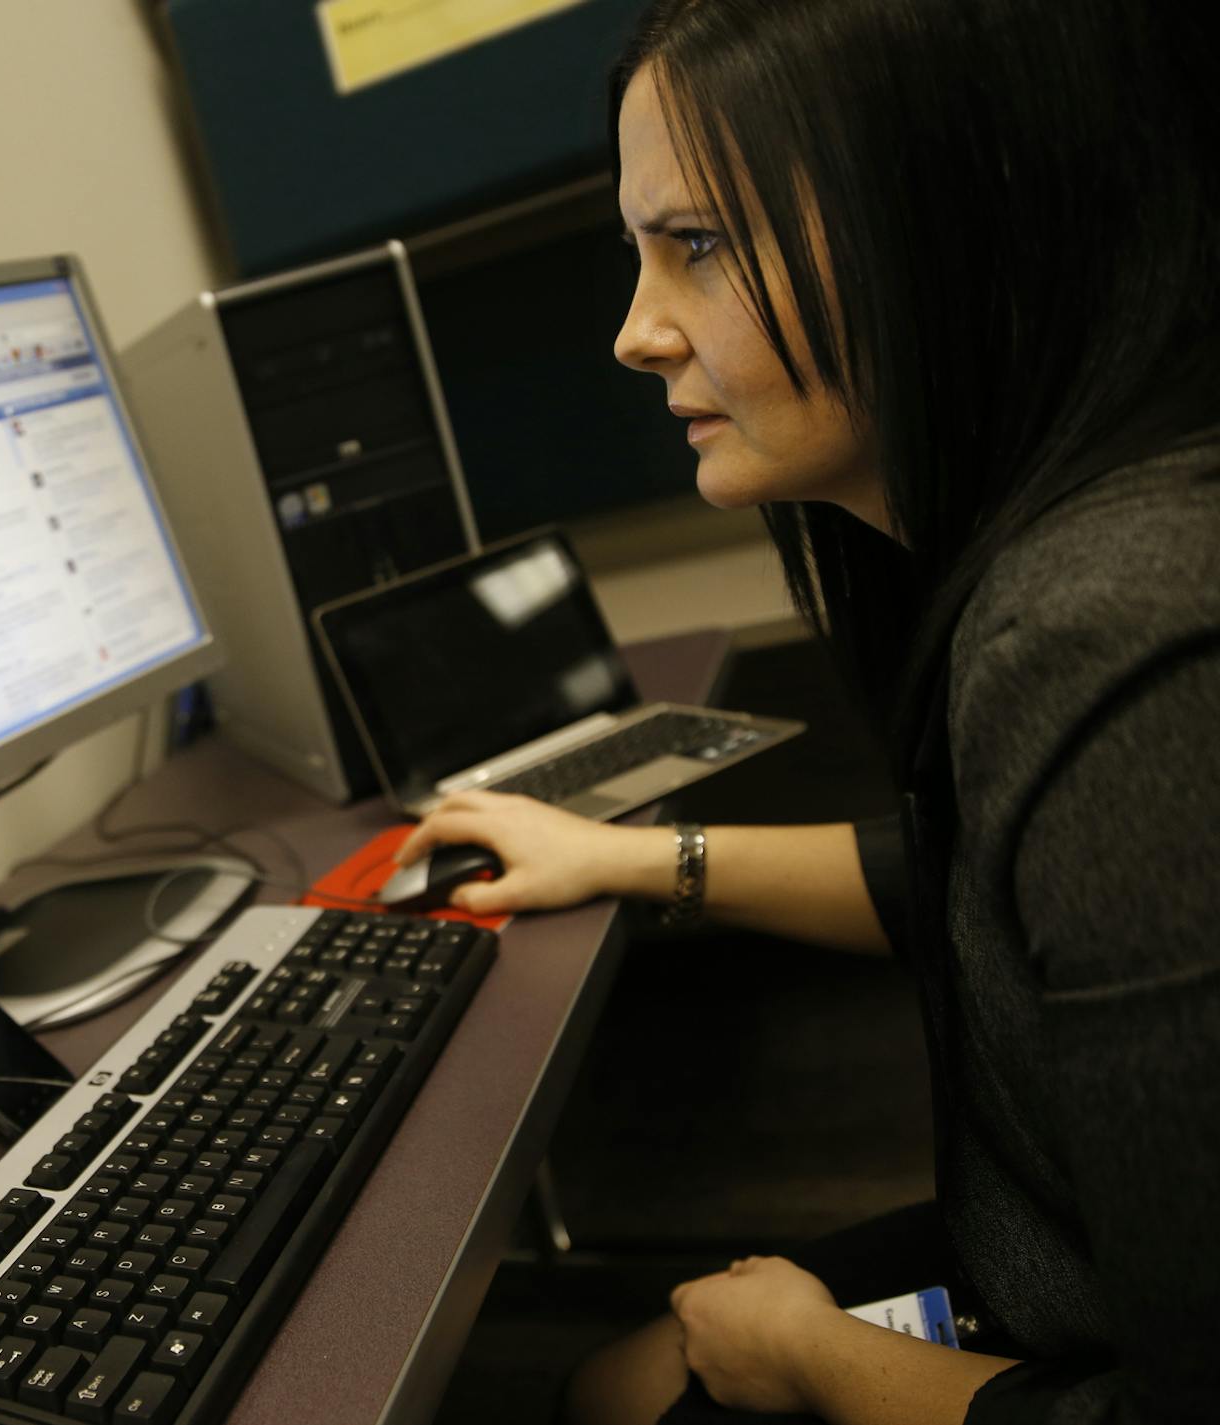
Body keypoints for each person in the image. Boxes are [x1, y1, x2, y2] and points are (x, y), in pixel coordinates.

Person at [393, 1, 1220, 1421]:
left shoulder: (1118, 637)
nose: (634, 333)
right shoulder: (1047, 567)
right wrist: (630, 858)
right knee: (608, 1383)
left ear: (947, 238)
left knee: (611, 1392)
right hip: (1050, 1258)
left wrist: (811, 1357)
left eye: (697, 246)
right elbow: (970, 881)